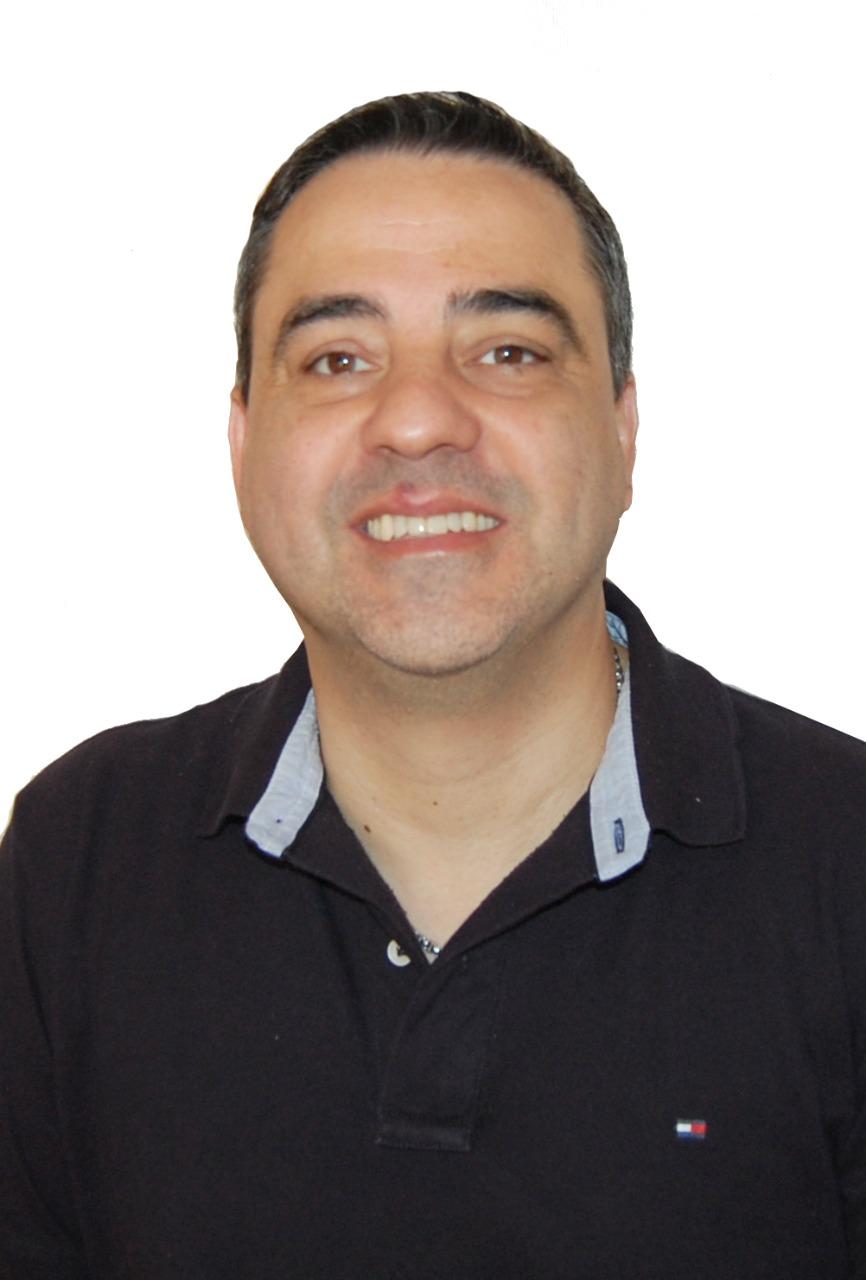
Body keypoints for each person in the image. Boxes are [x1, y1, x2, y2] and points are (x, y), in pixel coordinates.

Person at [1, 90, 865, 1280]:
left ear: (622, 428)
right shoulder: (79, 855)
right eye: (337, 358)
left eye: (507, 351)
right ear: (242, 442)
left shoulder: (845, 860)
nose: (414, 420)